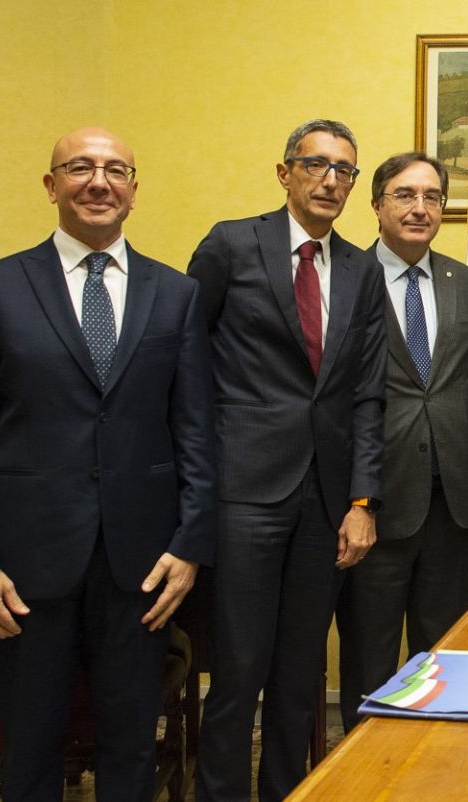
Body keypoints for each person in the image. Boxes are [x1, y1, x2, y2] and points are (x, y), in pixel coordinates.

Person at [0, 127, 217, 801]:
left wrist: (190, 546)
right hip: (24, 568)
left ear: (134, 191)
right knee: (30, 747)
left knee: (131, 746)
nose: (99, 181)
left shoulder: (176, 295)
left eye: (115, 170)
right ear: (51, 185)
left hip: (142, 566)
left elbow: (197, 432)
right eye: (80, 167)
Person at [189, 120, 386, 800]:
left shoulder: (362, 269)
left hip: (325, 500)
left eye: (344, 170)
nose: (331, 180)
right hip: (243, 491)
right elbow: (185, 363)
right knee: (237, 671)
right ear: (285, 173)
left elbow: (367, 395)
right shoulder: (230, 245)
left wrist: (362, 501)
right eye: (316, 164)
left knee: (300, 676)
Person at [336, 152, 468, 733]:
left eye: (432, 197)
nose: (420, 208)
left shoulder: (466, 283)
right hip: (375, 502)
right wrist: (357, 499)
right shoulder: (345, 278)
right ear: (376, 205)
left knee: (442, 655)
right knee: (369, 655)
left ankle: (433, 764)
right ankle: (362, 766)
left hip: (453, 503)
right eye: (405, 195)